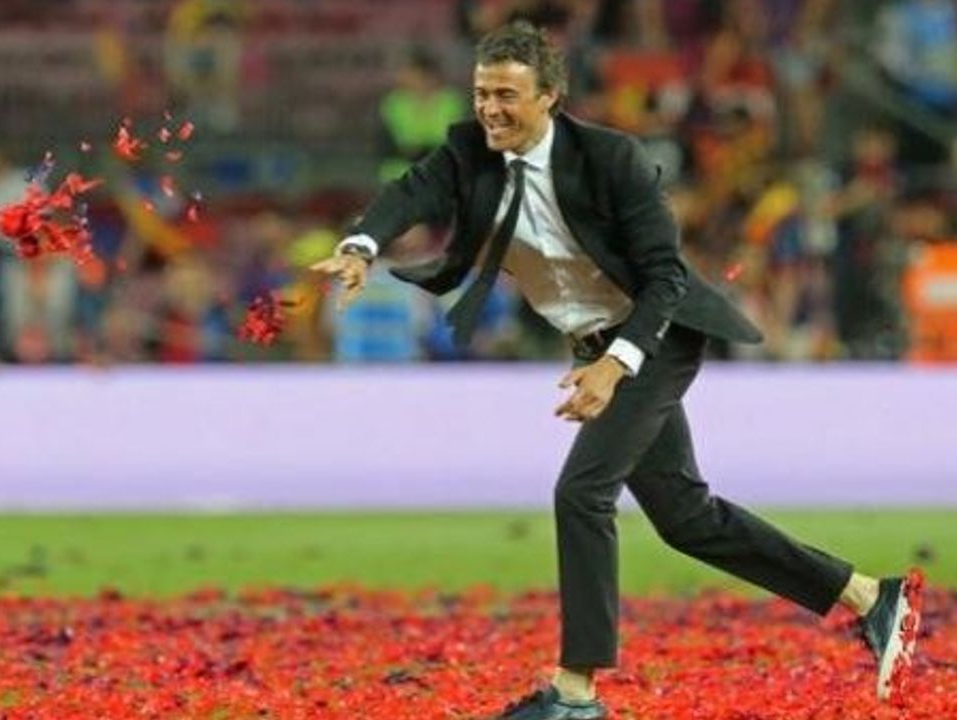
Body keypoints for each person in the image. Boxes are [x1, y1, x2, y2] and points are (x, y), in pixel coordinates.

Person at [310, 22, 922, 720]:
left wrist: (613, 364)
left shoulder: (611, 159)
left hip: (654, 337)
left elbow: (665, 277)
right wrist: (360, 245)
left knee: (582, 494)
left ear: (550, 95)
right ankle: (873, 598)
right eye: (482, 93)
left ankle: (576, 694)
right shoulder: (468, 153)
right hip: (592, 344)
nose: (490, 109)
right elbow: (409, 192)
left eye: (506, 95)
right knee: (687, 518)